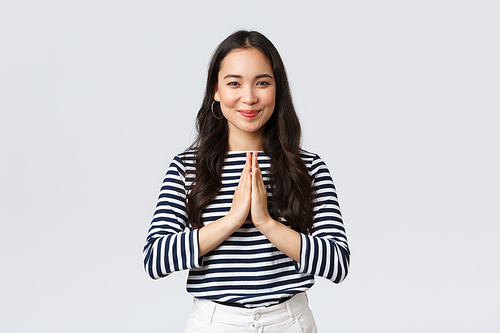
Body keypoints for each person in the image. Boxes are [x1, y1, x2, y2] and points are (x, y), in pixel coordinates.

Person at [143, 30, 350, 333]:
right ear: (216, 90)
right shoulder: (188, 168)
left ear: (278, 89)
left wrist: (266, 222)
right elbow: (155, 259)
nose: (249, 97)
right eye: (234, 83)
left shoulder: (308, 168)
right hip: (214, 323)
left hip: (289, 322)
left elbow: (337, 263)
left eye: (262, 83)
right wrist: (232, 219)